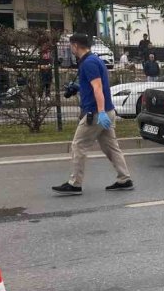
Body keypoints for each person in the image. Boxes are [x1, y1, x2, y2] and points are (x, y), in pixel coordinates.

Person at [52, 34, 133, 196]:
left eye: (70, 45)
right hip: (105, 111)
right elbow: (93, 87)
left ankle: (75, 184)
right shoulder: (94, 60)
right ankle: (124, 179)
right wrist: (78, 88)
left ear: (75, 45)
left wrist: (100, 112)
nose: (69, 48)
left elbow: (98, 89)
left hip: (96, 114)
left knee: (78, 145)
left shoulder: (88, 63)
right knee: (111, 147)